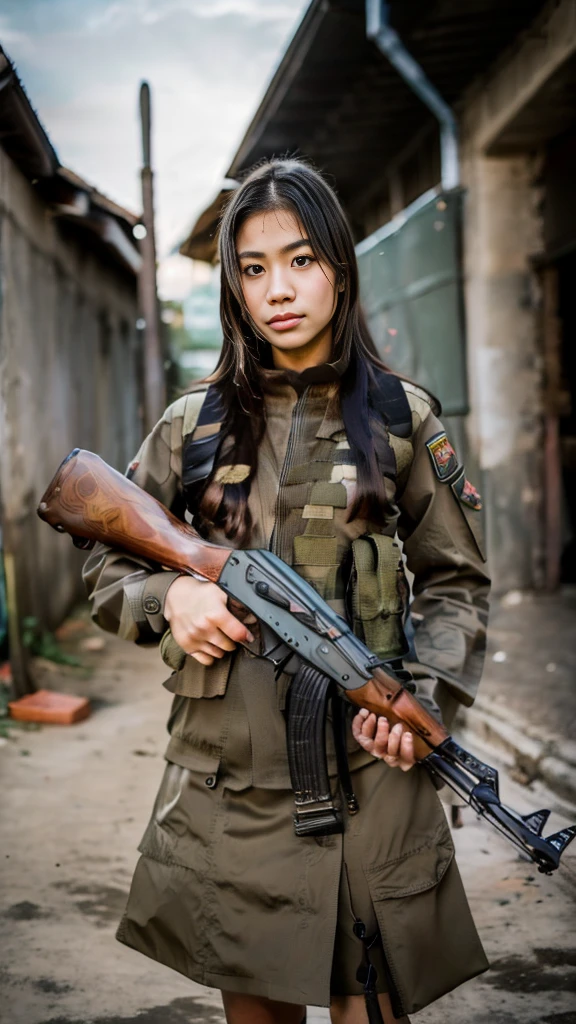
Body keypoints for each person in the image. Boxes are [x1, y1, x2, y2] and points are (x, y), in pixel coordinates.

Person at [83, 158, 491, 1024]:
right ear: (233, 286)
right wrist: (172, 603)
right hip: (236, 779)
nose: (279, 289)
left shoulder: (402, 416)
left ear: (340, 269)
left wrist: (424, 699)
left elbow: (455, 582)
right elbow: (104, 562)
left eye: (302, 260)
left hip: (375, 769)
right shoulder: (190, 423)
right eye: (254, 267)